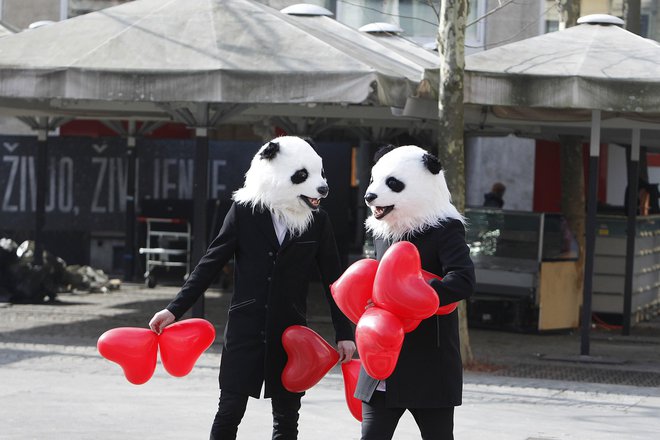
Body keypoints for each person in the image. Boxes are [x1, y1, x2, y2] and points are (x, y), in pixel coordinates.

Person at [148, 136, 355, 440]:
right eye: (303, 177)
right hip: (246, 329)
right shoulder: (245, 212)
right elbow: (211, 262)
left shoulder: (318, 221)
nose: (320, 187)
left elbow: (334, 281)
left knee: (286, 419)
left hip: (291, 333)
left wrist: (345, 334)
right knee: (230, 409)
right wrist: (174, 309)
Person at [357, 145, 476, 439]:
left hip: (428, 360)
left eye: (393, 184)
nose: (373, 193)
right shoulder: (382, 227)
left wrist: (415, 295)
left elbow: (463, 280)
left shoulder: (445, 227)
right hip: (383, 358)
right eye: (375, 181)